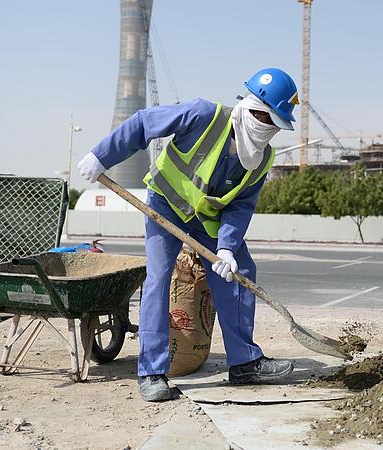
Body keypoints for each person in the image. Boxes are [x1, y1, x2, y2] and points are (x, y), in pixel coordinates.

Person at [77, 68, 299, 401]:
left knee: (240, 272)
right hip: (165, 206)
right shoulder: (203, 115)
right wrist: (101, 155)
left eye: (277, 126)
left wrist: (226, 248)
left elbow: (240, 207)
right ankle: (152, 371)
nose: (270, 131)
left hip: (207, 221)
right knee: (159, 278)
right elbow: (143, 123)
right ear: (253, 108)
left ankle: (244, 363)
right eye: (269, 120)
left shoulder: (262, 158)